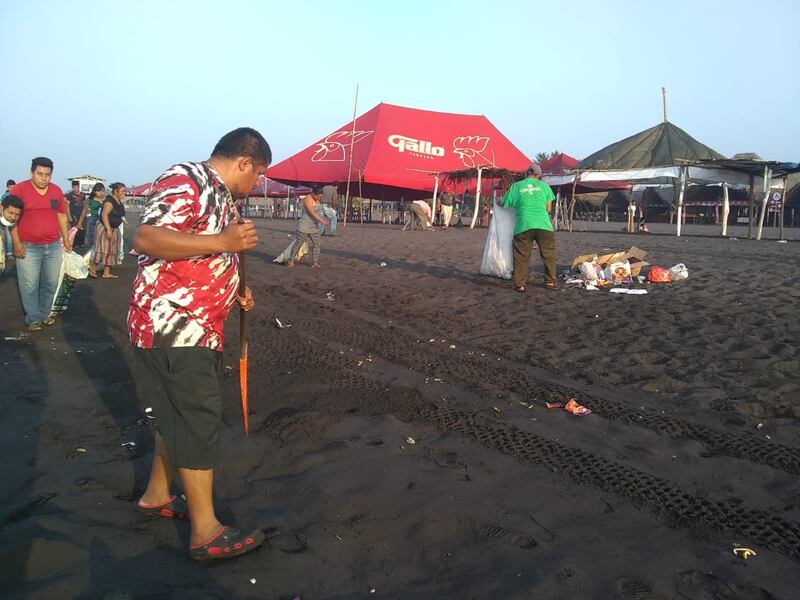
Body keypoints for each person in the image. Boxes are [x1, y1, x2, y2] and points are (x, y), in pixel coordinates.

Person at [128, 127, 270, 561]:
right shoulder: (185, 178)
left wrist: (234, 290)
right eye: (258, 173)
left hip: (197, 326)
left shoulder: (223, 197)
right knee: (195, 419)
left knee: (176, 417)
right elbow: (147, 238)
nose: (257, 183)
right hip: (173, 326)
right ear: (244, 162)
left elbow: (204, 255)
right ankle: (206, 532)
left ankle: (156, 494)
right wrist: (223, 242)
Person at [9, 157, 72, 330]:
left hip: (52, 246)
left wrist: (65, 239)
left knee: (50, 283)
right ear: (32, 172)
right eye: (40, 174)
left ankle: (44, 314)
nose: (43, 178)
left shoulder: (56, 191)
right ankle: (33, 318)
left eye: (47, 175)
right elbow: (10, 218)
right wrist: (16, 244)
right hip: (28, 247)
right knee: (29, 284)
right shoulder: (19, 190)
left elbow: (61, 215)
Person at [496, 163, 556, 292]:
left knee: (521, 256)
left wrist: (497, 200)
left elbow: (503, 202)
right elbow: (549, 209)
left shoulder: (516, 187)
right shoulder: (545, 187)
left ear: (526, 173)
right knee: (548, 254)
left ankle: (520, 284)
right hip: (544, 225)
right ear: (539, 175)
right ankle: (550, 282)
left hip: (524, 225)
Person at [90, 182, 127, 278]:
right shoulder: (109, 202)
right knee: (102, 249)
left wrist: (124, 220)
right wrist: (108, 230)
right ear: (115, 191)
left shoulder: (119, 201)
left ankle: (106, 272)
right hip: (105, 227)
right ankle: (93, 269)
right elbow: (104, 215)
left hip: (114, 227)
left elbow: (120, 213)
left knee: (112, 250)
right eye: (122, 191)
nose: (124, 193)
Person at [288, 188, 329, 268]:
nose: (319, 198)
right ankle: (291, 260)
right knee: (298, 244)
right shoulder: (307, 199)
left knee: (317, 244)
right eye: (318, 197)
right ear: (313, 194)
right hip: (304, 226)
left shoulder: (318, 199)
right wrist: (322, 221)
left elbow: (319, 212)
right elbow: (312, 213)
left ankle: (315, 262)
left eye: (320, 197)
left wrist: (324, 219)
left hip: (314, 226)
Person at [77, 182, 106, 249]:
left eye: (102, 191)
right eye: (98, 191)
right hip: (92, 220)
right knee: (90, 237)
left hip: (103, 221)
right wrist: (80, 223)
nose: (101, 193)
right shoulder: (90, 200)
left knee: (101, 237)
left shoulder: (106, 200)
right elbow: (84, 212)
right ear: (94, 191)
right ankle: (89, 252)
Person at [0, 194, 24, 273]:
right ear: (1, 208)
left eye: (17, 215)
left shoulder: (7, 222)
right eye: (10, 213)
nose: (13, 217)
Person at [65, 180, 86, 247]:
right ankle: (75, 243)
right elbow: (67, 206)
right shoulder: (69, 195)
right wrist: (69, 216)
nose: (75, 189)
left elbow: (85, 204)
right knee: (75, 229)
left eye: (77, 187)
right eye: (74, 187)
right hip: (73, 214)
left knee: (82, 229)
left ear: (79, 187)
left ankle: (81, 243)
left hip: (82, 215)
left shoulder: (83, 194)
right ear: (72, 187)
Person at [1, 179, 16, 256]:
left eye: (13, 187)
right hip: (6, 220)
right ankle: (9, 253)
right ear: (7, 188)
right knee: (8, 237)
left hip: (15, 220)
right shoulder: (4, 197)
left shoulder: (16, 196)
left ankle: (12, 252)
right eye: (10, 187)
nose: (12, 189)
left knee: (13, 236)